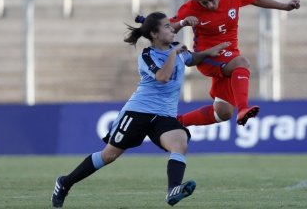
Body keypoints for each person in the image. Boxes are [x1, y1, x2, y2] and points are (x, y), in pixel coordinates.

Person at [51, 11, 230, 208]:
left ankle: (173, 190)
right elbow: (163, 76)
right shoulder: (148, 55)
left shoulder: (177, 51)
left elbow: (191, 59)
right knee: (108, 156)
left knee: (180, 143)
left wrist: (210, 52)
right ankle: (65, 182)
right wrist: (173, 53)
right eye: (167, 27)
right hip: (138, 112)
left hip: (164, 115)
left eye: (172, 26)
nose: (173, 29)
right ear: (154, 34)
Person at [170, 0, 301, 127]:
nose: (210, 6)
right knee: (242, 63)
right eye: (204, 4)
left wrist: (285, 6)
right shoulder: (190, 8)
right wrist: (183, 23)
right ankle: (243, 108)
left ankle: (177, 122)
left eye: (211, 0)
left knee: (223, 112)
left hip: (229, 55)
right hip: (208, 57)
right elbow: (168, 28)